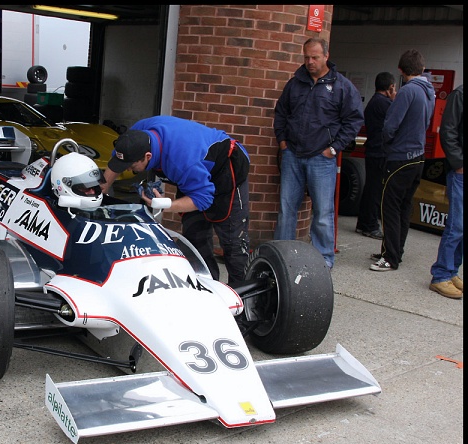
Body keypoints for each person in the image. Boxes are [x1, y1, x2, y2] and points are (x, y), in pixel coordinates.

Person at [100, 116, 251, 286]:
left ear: (147, 156)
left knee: (233, 243)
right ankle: (206, 288)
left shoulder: (181, 162)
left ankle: (242, 302)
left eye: (131, 166)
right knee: (194, 237)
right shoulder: (135, 137)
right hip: (196, 169)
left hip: (225, 166)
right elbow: (118, 161)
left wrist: (165, 204)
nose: (126, 169)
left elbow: (203, 199)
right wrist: (100, 190)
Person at [273, 38, 364, 269]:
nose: (310, 62)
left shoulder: (341, 86)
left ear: (326, 56)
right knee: (286, 209)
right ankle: (282, 255)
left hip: (321, 159)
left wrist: (334, 149)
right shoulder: (295, 84)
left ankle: (324, 260)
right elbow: (281, 112)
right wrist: (282, 141)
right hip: (293, 154)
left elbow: (354, 121)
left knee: (323, 212)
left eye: (315, 57)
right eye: (306, 57)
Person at [370, 50, 435, 272]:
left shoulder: (408, 92)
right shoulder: (429, 92)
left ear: (401, 70)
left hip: (400, 158)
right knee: (404, 208)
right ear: (422, 68)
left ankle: (390, 257)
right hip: (418, 157)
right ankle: (397, 251)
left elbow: (390, 125)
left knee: (389, 208)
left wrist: (388, 145)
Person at [429, 84, 463, 298]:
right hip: (460, 173)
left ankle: (452, 271)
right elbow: (448, 130)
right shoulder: (459, 95)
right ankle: (440, 276)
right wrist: (459, 163)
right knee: (456, 225)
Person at [355, 72, 396, 240]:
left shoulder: (374, 102)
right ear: (390, 87)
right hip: (380, 152)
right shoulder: (384, 104)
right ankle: (370, 225)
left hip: (373, 150)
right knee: (375, 190)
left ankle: (363, 222)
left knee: (370, 188)